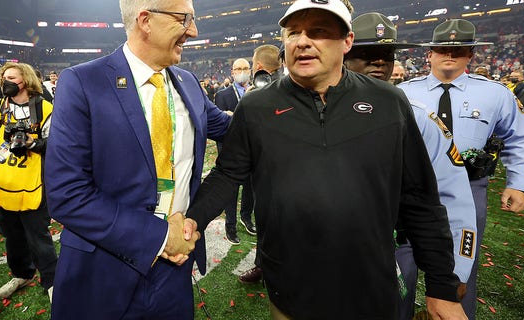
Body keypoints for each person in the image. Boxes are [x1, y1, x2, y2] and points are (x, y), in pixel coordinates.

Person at [185, 0, 467, 318]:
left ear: (347, 41)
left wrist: (442, 286)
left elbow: (420, 200)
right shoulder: (256, 107)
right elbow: (226, 174)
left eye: (319, 32)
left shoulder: (389, 102)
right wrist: (192, 220)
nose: (303, 41)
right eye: (293, 32)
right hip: (290, 290)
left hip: (371, 287)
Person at [44, 0, 231, 318]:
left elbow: (234, 129)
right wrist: (159, 238)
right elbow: (66, 194)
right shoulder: (82, 83)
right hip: (104, 269)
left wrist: (283, 100)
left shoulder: (188, 83)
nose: (194, 31)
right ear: (145, 20)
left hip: (175, 272)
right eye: (184, 18)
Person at [398, 19, 524, 320]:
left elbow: (523, 135)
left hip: (470, 186)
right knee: (401, 264)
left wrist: (520, 182)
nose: (450, 53)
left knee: (462, 267)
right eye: (443, 48)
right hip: (411, 189)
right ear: (430, 54)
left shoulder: (495, 93)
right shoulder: (403, 92)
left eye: (458, 48)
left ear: (471, 54)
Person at [344, 12, 477, 320]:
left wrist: (450, 276)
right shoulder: (311, 114)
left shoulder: (418, 118)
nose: (379, 63)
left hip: (393, 247)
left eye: (387, 55)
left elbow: (453, 198)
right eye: (366, 54)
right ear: (344, 53)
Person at [0, 62, 57, 301]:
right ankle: (22, 273)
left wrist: (33, 144)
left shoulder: (45, 108)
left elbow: (56, 146)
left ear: (26, 81)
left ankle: (52, 281)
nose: (5, 82)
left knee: (38, 236)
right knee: (12, 235)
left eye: (11, 77)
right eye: (4, 78)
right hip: (0, 183)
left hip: (33, 184)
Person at [237, 43, 283, 285]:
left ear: (259, 67)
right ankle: (262, 265)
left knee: (269, 221)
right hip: (281, 171)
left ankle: (266, 267)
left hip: (271, 173)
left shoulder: (259, 94)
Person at [213, 58, 255, 245]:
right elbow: (219, 123)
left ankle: (246, 217)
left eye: (245, 68)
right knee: (231, 190)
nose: (242, 71)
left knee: (250, 187)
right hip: (231, 149)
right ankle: (230, 225)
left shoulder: (258, 92)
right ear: (232, 71)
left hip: (252, 148)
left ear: (250, 70)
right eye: (238, 68)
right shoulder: (222, 95)